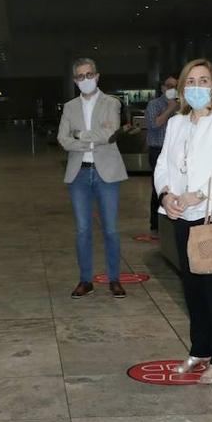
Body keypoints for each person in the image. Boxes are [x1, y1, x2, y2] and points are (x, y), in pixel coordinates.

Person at [154, 58, 212, 385]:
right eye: (191, 81)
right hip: (182, 215)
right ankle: (201, 349)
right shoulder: (178, 123)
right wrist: (166, 195)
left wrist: (196, 196)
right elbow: (164, 165)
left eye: (203, 80)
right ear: (182, 89)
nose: (197, 87)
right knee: (193, 288)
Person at [58, 58, 128, 299]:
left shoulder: (112, 103)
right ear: (75, 80)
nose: (85, 80)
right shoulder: (69, 107)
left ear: (97, 76)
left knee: (110, 229)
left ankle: (115, 279)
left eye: (89, 75)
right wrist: (90, 139)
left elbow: (110, 133)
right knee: (82, 230)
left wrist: (79, 135)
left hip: (106, 172)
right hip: (79, 173)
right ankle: (85, 280)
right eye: (80, 76)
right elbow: (63, 139)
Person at [143, 74, 180, 238]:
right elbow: (153, 124)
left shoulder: (184, 105)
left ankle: (176, 221)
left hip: (178, 152)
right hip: (158, 151)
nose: (172, 89)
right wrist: (170, 109)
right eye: (169, 86)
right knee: (159, 187)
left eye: (176, 86)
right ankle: (156, 226)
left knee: (178, 186)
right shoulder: (154, 104)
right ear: (163, 88)